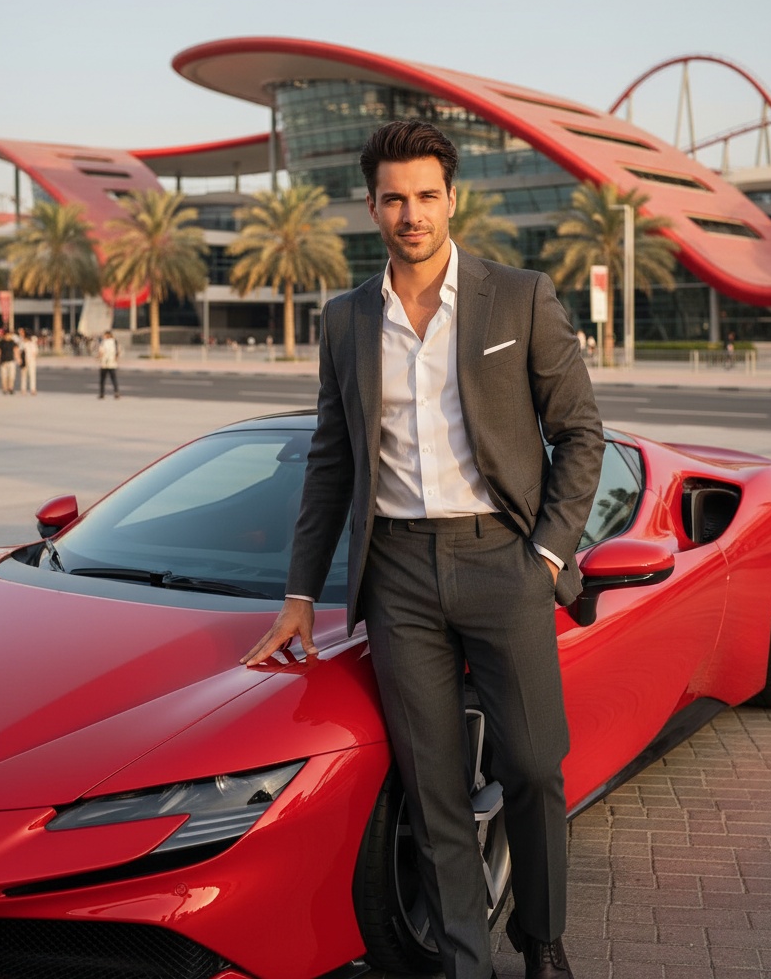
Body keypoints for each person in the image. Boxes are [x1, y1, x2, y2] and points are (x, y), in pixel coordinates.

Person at [242, 121, 604, 979]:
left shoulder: (516, 297)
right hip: (397, 574)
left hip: (503, 562)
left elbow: (581, 435)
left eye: (427, 196)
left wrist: (546, 557)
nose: (412, 213)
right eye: (394, 198)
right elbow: (330, 464)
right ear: (371, 206)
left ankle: (542, 940)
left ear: (452, 199)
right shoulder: (345, 321)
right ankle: (463, 962)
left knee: (532, 766)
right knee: (432, 785)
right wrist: (300, 594)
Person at [0, 329, 19, 394]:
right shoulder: (1, 342)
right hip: (3, 361)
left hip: (11, 361)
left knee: (12, 376)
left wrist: (18, 359)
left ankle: (10, 388)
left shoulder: (13, 342)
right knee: (4, 376)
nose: (9, 336)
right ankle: (4, 388)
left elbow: (16, 351)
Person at [97, 331, 120, 399]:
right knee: (113, 379)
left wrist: (98, 358)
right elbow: (118, 351)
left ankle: (102, 394)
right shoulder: (114, 342)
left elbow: (101, 352)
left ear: (107, 335)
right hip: (112, 363)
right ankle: (116, 392)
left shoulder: (103, 342)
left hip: (104, 362)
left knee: (102, 380)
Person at [19, 328, 38, 394]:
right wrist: (20, 359)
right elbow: (20, 351)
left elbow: (35, 351)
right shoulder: (21, 341)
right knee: (23, 375)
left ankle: (33, 389)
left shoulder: (32, 341)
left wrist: (33, 358)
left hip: (31, 360)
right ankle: (23, 389)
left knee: (32, 374)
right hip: (24, 360)